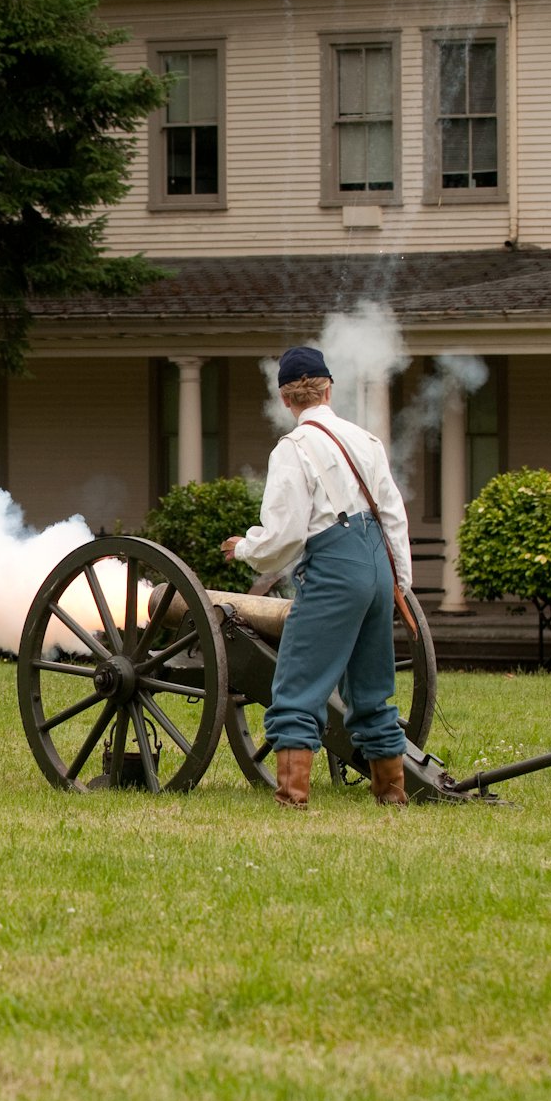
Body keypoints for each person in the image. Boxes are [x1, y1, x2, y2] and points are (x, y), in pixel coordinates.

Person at [221, 344, 413, 809]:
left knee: (296, 684)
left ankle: (292, 795)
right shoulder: (367, 441)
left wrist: (244, 548)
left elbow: (284, 537)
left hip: (334, 569)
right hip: (376, 568)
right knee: (371, 688)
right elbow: (393, 515)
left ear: (286, 399)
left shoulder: (294, 449)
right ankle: (391, 791)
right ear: (329, 389)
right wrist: (398, 582)